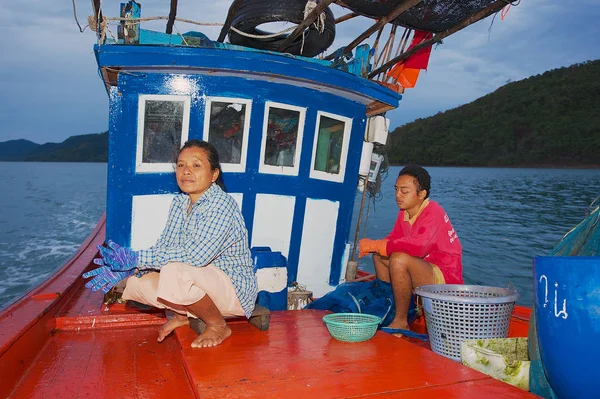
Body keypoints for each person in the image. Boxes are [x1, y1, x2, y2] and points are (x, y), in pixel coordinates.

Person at [83, 140, 258, 348]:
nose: (186, 171)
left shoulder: (221, 205)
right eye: (181, 165)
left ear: (214, 175)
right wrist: (131, 268)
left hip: (233, 291)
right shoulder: (180, 203)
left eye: (196, 165)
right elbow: (164, 248)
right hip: (204, 285)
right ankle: (184, 315)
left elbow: (196, 257)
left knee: (175, 272)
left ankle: (217, 324)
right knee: (139, 284)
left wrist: (136, 258)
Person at [359, 165, 463, 333]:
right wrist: (375, 245)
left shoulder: (433, 211)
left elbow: (419, 246)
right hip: (423, 267)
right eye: (396, 189)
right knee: (378, 256)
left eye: (404, 191)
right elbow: (394, 237)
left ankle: (401, 321)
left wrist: (379, 245)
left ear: (421, 194)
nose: (398, 195)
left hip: (445, 276)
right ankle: (390, 306)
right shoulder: (404, 212)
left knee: (398, 259)